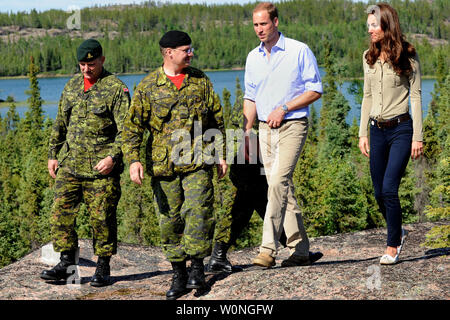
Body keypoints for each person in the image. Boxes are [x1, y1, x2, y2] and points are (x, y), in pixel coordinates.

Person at [122, 30, 227, 300]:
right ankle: (178, 272)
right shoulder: (148, 86)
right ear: (169, 53)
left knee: (199, 212)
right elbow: (132, 128)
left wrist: (221, 153)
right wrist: (133, 160)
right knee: (169, 221)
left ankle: (197, 269)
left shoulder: (200, 80)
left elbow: (216, 119)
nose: (191, 53)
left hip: (197, 161)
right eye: (186, 50)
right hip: (164, 165)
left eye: (191, 49)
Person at [40, 39, 130, 287]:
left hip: (100, 169)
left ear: (102, 59)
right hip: (69, 164)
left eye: (91, 64)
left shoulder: (115, 89)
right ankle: (67, 264)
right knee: (60, 215)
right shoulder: (71, 87)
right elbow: (60, 123)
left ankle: (103, 266)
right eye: (82, 64)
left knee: (101, 219)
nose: (86, 69)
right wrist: (52, 153)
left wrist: (113, 157)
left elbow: (127, 132)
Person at [243, 2, 323, 268]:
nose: (259, 29)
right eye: (255, 25)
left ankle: (267, 249)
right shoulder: (253, 57)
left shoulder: (298, 51)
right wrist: (246, 132)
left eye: (263, 24)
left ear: (276, 22)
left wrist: (286, 107)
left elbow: (315, 90)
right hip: (265, 128)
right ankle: (301, 250)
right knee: (282, 189)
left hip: (293, 125)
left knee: (277, 182)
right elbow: (250, 96)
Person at [359, 3, 423, 265]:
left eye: (374, 25)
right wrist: (362, 132)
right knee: (377, 192)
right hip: (376, 131)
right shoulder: (368, 57)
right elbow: (367, 96)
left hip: (401, 129)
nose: (371, 30)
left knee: (389, 188)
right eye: (368, 26)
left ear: (387, 24)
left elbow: (416, 98)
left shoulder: (408, 56)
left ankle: (393, 245)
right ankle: (399, 231)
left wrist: (418, 136)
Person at [207, 111, 287, 274]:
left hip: (254, 162)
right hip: (247, 163)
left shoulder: (264, 97)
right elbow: (247, 136)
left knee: (266, 207)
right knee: (242, 211)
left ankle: (297, 249)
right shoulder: (256, 100)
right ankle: (217, 257)